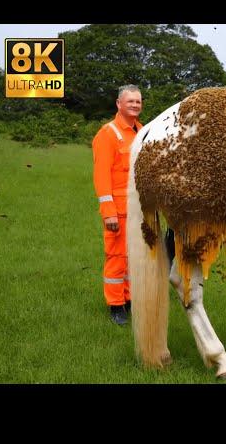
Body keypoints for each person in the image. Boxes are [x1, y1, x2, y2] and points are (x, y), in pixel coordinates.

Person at [92, 85, 143, 325]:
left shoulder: (143, 131)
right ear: (118, 104)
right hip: (119, 211)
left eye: (138, 101)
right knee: (117, 256)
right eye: (130, 101)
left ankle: (130, 299)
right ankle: (115, 306)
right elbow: (101, 177)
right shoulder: (107, 134)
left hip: (140, 210)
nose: (135, 105)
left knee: (135, 258)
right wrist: (108, 212)